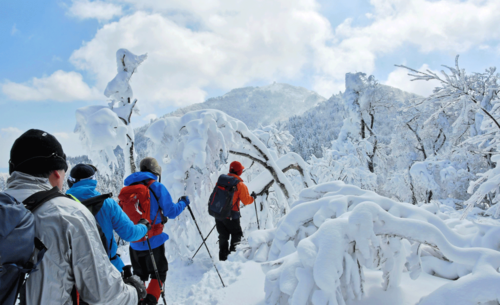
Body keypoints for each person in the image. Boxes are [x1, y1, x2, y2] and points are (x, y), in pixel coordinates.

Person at [5, 129, 145, 305]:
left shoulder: (7, 208)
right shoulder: (69, 213)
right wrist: (134, 292)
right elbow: (104, 295)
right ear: (57, 172)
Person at [123, 157, 190, 305]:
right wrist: (183, 202)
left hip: (134, 243)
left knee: (139, 276)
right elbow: (171, 212)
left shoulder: (128, 189)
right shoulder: (156, 186)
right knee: (159, 274)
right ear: (155, 171)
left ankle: (139, 301)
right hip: (153, 242)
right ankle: (150, 302)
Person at [66, 163, 149, 273]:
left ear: (71, 182)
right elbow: (130, 234)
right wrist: (144, 226)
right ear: (93, 180)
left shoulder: (62, 205)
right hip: (108, 269)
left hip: (74, 272)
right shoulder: (108, 204)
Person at [216, 161, 255, 261]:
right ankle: (233, 259)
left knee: (223, 236)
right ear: (239, 171)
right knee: (236, 234)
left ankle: (223, 258)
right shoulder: (240, 184)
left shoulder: (221, 180)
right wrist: (253, 198)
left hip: (219, 214)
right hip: (231, 215)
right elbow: (246, 201)